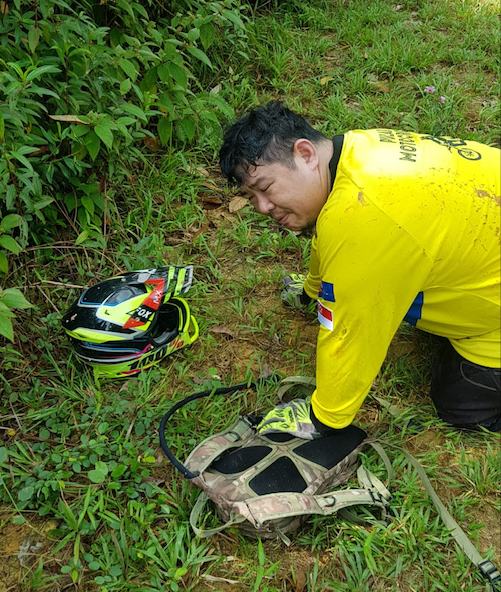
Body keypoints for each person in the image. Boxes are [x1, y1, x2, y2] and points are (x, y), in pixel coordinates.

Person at [219, 101, 501, 435]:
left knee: (461, 404)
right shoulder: (355, 150)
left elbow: (350, 327)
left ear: (305, 153)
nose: (263, 207)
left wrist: (323, 417)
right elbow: (329, 235)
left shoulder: (362, 214)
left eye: (265, 188)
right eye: (251, 196)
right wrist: (312, 292)